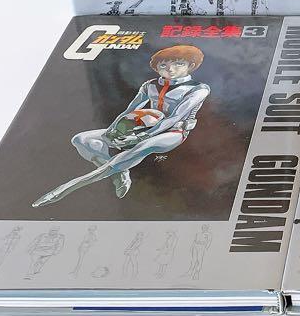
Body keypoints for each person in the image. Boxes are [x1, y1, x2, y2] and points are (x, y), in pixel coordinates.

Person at [33, 45, 210, 207]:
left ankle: (65, 189)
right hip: (143, 127)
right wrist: (114, 130)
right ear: (157, 68)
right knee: (81, 139)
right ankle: (119, 173)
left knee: (142, 147)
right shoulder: (150, 85)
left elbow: (174, 117)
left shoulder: (198, 89)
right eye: (164, 65)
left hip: (174, 132)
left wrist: (142, 136)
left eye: (178, 64)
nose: (170, 69)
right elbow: (130, 110)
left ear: (191, 65)